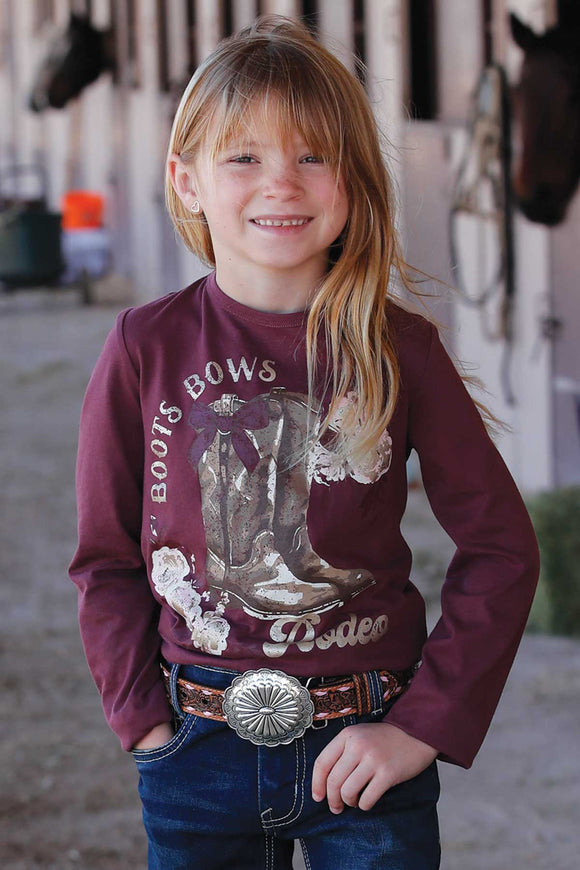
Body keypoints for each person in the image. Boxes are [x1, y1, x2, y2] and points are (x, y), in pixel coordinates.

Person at [69, 15, 540, 870]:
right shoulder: (146, 347)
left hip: (364, 750)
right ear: (187, 180)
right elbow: (105, 557)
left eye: (313, 156)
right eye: (244, 157)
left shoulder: (400, 350)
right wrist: (141, 719)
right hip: (197, 746)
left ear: (353, 181)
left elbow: (502, 548)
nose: (281, 183)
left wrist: (420, 726)